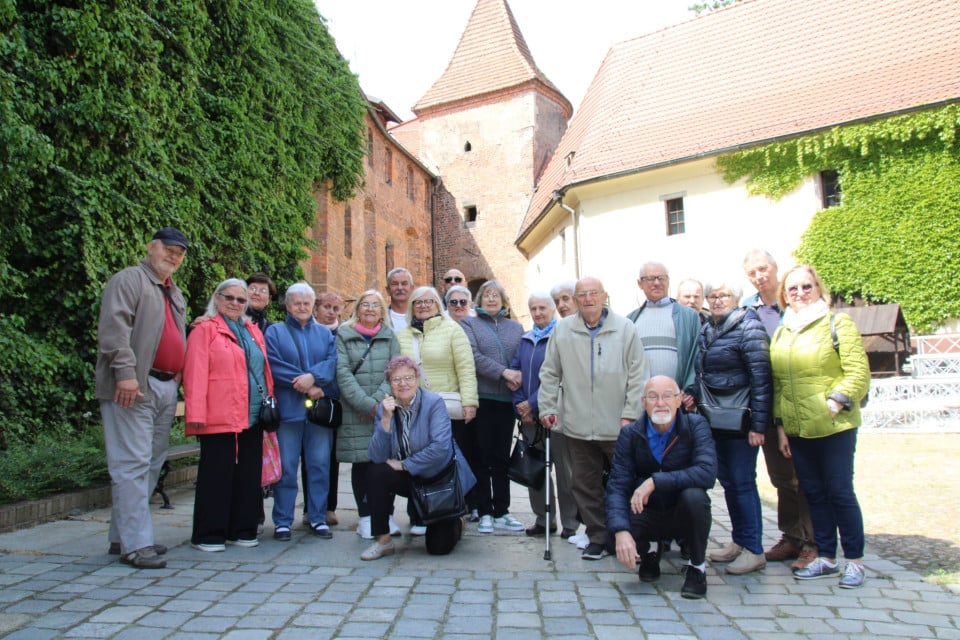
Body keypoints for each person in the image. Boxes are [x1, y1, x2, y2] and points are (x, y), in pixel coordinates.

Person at [770, 264, 870, 588]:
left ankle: (854, 560)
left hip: (834, 425)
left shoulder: (836, 322)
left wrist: (835, 402)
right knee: (813, 493)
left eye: (806, 287)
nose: (799, 293)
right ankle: (826, 556)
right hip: (798, 428)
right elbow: (780, 383)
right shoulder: (783, 330)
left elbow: (858, 372)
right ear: (784, 295)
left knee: (839, 491)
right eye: (792, 289)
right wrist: (782, 426)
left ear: (818, 288)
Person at [96, 227, 188, 569]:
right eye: (168, 249)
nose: (174, 256)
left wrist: (178, 372)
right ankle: (136, 545)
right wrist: (125, 374)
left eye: (179, 253)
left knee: (150, 461)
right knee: (131, 461)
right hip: (134, 384)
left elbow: (175, 335)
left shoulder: (172, 290)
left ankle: (123, 536)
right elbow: (114, 330)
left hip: (164, 386)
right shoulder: (129, 280)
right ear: (151, 247)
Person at [538, 276, 648, 561]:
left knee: (626, 480)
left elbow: (638, 374)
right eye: (581, 295)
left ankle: (631, 534)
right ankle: (598, 536)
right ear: (575, 300)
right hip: (577, 423)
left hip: (618, 424)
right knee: (584, 484)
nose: (587, 299)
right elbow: (550, 372)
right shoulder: (562, 331)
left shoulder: (625, 329)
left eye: (593, 293)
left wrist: (630, 415)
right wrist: (547, 407)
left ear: (604, 296)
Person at [606, 376, 717, 599]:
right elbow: (617, 485)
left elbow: (707, 472)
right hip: (648, 511)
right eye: (653, 397)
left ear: (679, 400)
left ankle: (696, 568)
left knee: (695, 497)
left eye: (667, 396)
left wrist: (655, 481)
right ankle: (650, 552)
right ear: (643, 402)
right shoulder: (630, 434)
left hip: (681, 512)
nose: (660, 403)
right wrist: (620, 531)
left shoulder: (696, 426)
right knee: (613, 533)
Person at [742, 249, 817, 569]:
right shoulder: (748, 309)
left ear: (775, 268)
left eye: (763, 269)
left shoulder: (794, 307)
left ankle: (813, 542)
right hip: (765, 407)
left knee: (805, 478)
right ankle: (791, 537)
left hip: (800, 405)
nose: (759, 276)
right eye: (752, 272)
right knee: (781, 479)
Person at [184, 278, 272, 552]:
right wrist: (195, 413)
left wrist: (270, 404)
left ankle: (242, 529)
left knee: (248, 475)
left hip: (253, 415)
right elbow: (195, 373)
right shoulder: (205, 330)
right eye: (229, 298)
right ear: (217, 297)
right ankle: (209, 533)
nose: (235, 303)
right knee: (216, 474)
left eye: (240, 299)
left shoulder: (252, 330)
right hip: (219, 413)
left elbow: (263, 370)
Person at [361, 356, 477, 560]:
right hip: (408, 477)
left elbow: (440, 449)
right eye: (396, 380)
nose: (403, 384)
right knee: (375, 472)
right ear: (390, 383)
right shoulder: (385, 408)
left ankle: (456, 521)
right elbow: (377, 456)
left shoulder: (433, 403)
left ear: (417, 379)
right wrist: (386, 421)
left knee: (438, 548)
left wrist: (405, 464)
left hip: (437, 477)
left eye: (408, 377)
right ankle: (383, 541)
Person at [696, 280, 772, 575]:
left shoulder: (748, 327)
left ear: (737, 299)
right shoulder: (708, 328)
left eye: (723, 296)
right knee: (728, 481)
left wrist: (758, 424)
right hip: (717, 419)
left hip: (741, 421)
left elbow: (761, 377)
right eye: (712, 296)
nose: (716, 300)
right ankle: (739, 542)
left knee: (742, 482)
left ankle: (754, 549)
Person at [397, 286, 479, 530]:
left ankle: (453, 511)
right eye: (418, 302)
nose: (423, 306)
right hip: (413, 411)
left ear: (437, 304)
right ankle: (418, 514)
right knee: (417, 461)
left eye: (429, 301)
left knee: (449, 463)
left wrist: (470, 402)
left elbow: (465, 367)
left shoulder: (452, 330)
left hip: (446, 409)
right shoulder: (403, 335)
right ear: (411, 306)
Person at [265, 282, 338, 542]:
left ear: (313, 305)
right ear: (287, 305)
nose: (302, 307)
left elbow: (332, 362)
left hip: (317, 413)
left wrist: (314, 378)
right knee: (286, 468)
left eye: (307, 303)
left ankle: (317, 517)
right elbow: (273, 364)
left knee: (319, 465)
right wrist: (304, 381)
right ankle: (283, 521)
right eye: (297, 303)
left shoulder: (325, 334)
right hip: (288, 411)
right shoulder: (275, 332)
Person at [510, 292, 579, 538]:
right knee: (535, 469)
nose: (538, 313)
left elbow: (559, 375)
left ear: (552, 310)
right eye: (533, 308)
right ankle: (543, 519)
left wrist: (532, 403)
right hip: (528, 418)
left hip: (556, 414)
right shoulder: (526, 339)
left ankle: (570, 523)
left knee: (565, 472)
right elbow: (515, 372)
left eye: (542, 308)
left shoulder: (562, 336)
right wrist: (520, 406)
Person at [335, 290, 402, 539]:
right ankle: (365, 517)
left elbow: (395, 370)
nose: (370, 309)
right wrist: (366, 405)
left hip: (383, 409)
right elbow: (342, 372)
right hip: (356, 411)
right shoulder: (344, 334)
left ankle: (386, 515)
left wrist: (377, 404)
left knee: (386, 463)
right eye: (365, 304)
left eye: (375, 305)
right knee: (362, 464)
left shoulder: (389, 335)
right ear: (358, 309)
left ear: (382, 310)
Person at [460, 280, 524, 533]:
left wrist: (516, 375)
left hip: (506, 401)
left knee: (501, 458)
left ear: (504, 301)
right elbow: (473, 356)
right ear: (479, 300)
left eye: (496, 295)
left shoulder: (516, 327)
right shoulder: (469, 324)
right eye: (486, 295)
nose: (491, 299)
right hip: (484, 398)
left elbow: (522, 355)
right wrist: (504, 373)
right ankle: (485, 510)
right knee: (483, 456)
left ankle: (503, 511)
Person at [627, 262, 700, 410]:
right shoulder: (630, 320)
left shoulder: (688, 317)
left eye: (662, 278)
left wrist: (691, 389)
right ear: (640, 283)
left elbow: (697, 356)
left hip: (678, 401)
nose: (657, 283)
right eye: (650, 278)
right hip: (642, 403)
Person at [313, 290, 344, 526]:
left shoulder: (343, 334)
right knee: (310, 458)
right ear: (316, 309)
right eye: (326, 307)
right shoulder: (307, 330)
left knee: (331, 456)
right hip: (305, 398)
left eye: (335, 308)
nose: (330, 312)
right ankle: (310, 509)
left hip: (333, 401)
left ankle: (329, 506)